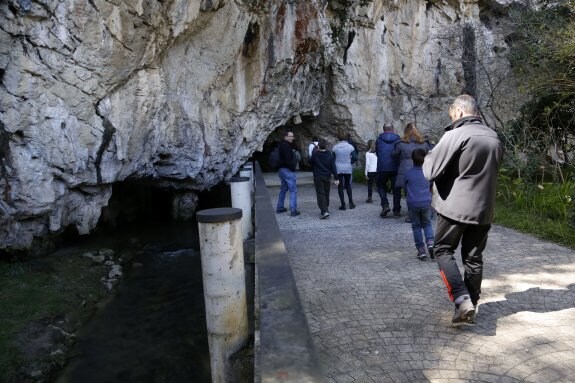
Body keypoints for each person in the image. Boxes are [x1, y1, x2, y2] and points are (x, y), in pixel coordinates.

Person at [423, 94, 503, 326]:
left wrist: (429, 155)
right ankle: (472, 304)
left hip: (454, 208)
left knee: (442, 250)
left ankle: (461, 298)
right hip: (484, 209)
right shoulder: (493, 136)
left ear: (458, 112)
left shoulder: (455, 134)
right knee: (473, 256)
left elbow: (430, 170)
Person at [392, 122, 431, 220]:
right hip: (421, 170)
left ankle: (411, 214)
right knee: (422, 191)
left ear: (406, 131)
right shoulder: (424, 144)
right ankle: (424, 213)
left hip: (405, 170)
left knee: (408, 193)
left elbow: (394, 154)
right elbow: (430, 155)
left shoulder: (401, 144)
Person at [404, 148, 434, 261]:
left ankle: (421, 251)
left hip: (412, 203)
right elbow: (431, 186)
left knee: (416, 226)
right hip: (426, 202)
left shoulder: (408, 173)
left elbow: (405, 188)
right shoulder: (428, 172)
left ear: (412, 159)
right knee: (427, 224)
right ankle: (430, 243)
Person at [309, 139, 339, 219]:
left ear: (318, 146)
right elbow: (333, 166)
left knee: (320, 194)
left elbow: (310, 162)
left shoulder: (315, 154)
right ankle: (326, 208)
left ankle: (324, 211)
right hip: (327, 176)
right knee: (326, 192)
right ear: (326, 146)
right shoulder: (329, 154)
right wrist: (336, 178)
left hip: (318, 176)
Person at [375, 123, 400, 217]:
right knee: (396, 189)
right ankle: (396, 211)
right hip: (395, 167)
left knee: (381, 186)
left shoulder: (379, 140)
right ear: (392, 129)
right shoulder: (398, 139)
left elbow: (377, 152)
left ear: (383, 129)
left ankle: (385, 205)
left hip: (382, 167)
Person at [276, 131, 300, 217]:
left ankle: (280, 207)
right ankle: (293, 210)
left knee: (283, 189)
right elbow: (287, 160)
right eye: (290, 136)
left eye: (292, 136)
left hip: (281, 170)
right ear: (285, 137)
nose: (291, 138)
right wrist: (293, 169)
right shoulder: (286, 146)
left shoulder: (281, 145)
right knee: (293, 191)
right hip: (287, 170)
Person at [333, 131, 356, 210]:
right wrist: (350, 161)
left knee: (340, 186)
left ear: (338, 138)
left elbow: (332, 159)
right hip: (347, 168)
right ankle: (351, 203)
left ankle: (343, 204)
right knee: (348, 185)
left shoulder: (335, 147)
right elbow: (355, 157)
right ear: (347, 138)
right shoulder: (350, 147)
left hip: (338, 168)